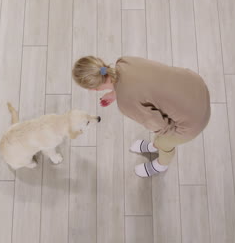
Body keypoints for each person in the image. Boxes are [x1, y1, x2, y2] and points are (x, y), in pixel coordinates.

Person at [72, 56, 211, 177]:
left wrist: (160, 141)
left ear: (93, 89)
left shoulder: (126, 103)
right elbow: (141, 83)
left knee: (164, 141)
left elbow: (161, 126)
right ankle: (155, 146)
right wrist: (116, 93)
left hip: (195, 121)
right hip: (195, 85)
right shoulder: (124, 61)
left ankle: (161, 164)